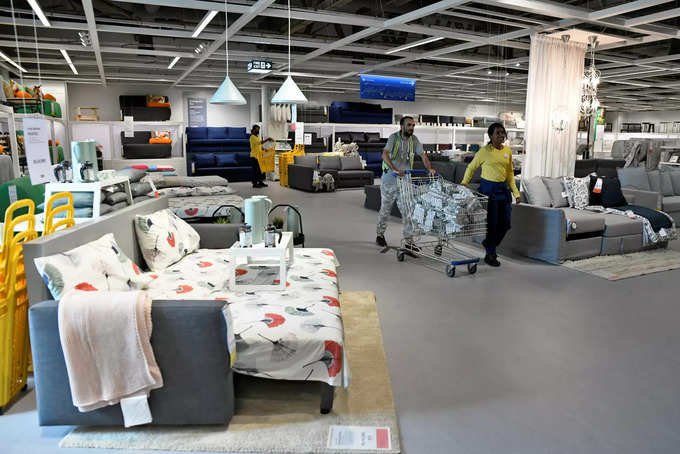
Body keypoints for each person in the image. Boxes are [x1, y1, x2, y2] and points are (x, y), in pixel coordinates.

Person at [461, 122, 520, 267]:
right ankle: (490, 254)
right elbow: (471, 167)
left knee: (505, 224)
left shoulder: (507, 151)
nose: (501, 135)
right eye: (497, 133)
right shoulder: (484, 151)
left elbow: (510, 174)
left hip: (503, 191)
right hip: (488, 191)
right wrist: (464, 184)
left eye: (502, 132)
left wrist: (516, 193)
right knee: (492, 225)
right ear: (491, 136)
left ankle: (488, 243)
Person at [376, 116, 436, 250]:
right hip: (390, 180)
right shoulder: (393, 138)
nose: (412, 128)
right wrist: (395, 169)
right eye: (409, 125)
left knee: (409, 211)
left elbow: (423, 156)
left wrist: (429, 168)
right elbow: (384, 154)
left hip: (405, 182)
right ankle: (380, 235)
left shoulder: (414, 140)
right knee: (385, 210)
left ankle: (409, 241)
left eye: (413, 125)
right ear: (402, 126)